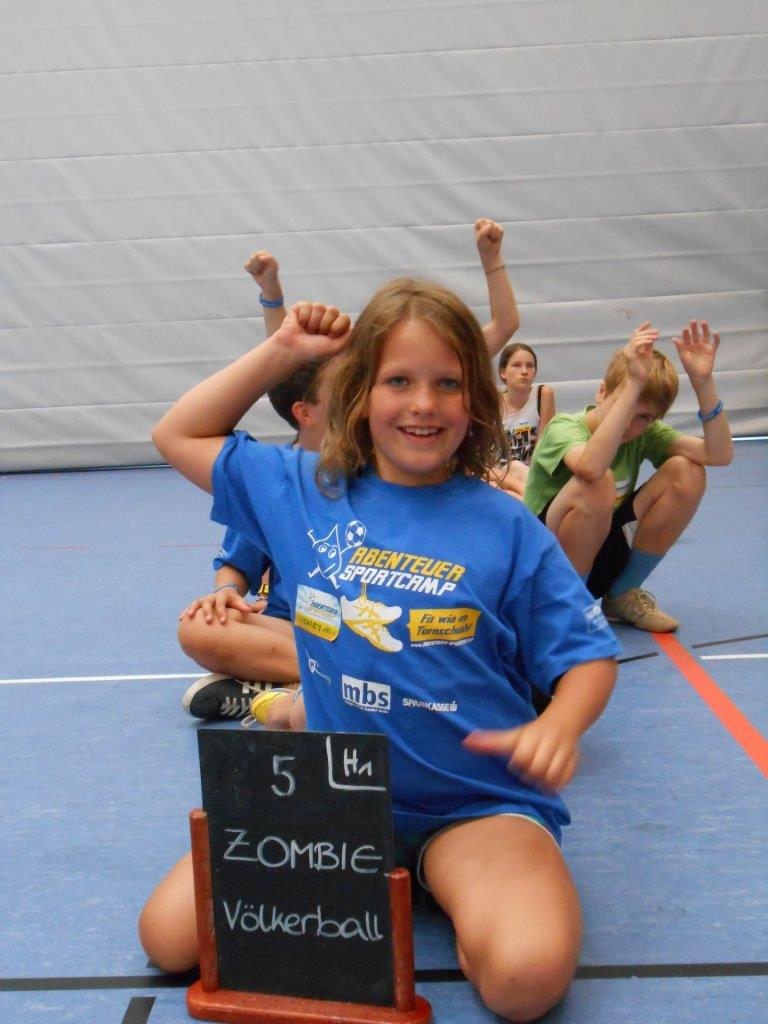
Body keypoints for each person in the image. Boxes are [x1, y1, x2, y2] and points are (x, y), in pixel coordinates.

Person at [143, 280, 620, 1021]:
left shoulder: (507, 526)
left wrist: (560, 724)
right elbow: (178, 435)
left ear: (476, 400)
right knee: (171, 938)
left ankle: (451, 882)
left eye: (447, 383)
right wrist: (282, 350)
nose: (423, 404)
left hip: (473, 804)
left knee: (525, 981)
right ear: (361, 392)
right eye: (398, 380)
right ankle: (344, 820)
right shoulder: (305, 489)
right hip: (336, 797)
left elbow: (588, 656)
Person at [181, 223, 520, 722]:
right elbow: (235, 552)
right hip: (303, 629)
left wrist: (492, 261)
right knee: (197, 627)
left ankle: (286, 692)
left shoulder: (399, 472)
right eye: (391, 382)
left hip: (376, 629)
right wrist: (225, 594)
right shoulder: (285, 480)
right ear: (305, 412)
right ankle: (311, 686)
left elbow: (494, 332)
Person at [524, 320, 733, 632]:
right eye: (624, 406)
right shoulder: (564, 427)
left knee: (687, 471)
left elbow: (719, 454)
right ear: (602, 392)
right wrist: (634, 383)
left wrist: (703, 383)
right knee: (597, 482)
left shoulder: (644, 435)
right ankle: (567, 609)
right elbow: (591, 468)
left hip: (597, 553)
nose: (629, 424)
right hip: (540, 565)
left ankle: (622, 594)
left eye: (643, 417)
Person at [492, 342, 556, 499]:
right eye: (517, 365)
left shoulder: (543, 394)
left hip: (531, 474)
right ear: (503, 372)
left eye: (530, 366)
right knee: (511, 472)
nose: (524, 371)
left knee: (517, 469)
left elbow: (542, 448)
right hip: (500, 476)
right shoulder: (492, 403)